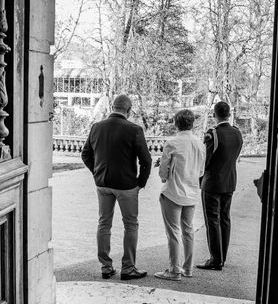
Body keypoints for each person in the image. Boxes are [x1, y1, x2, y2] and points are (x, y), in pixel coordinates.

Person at [81, 94, 152, 280]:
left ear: (113, 107)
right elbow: (146, 160)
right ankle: (128, 268)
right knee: (131, 224)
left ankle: (106, 266)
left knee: (104, 223)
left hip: (103, 183)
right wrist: (141, 183)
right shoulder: (134, 130)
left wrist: (96, 172)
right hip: (126, 185)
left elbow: (85, 154)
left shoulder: (97, 127)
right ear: (128, 111)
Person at [154, 109, 206, 281]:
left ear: (176, 123)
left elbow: (163, 170)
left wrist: (164, 178)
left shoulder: (172, 142)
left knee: (173, 233)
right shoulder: (200, 144)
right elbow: (201, 171)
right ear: (193, 123)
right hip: (191, 192)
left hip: (173, 192)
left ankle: (174, 271)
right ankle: (188, 268)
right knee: (188, 230)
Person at [197, 101, 243, 271]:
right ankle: (222, 256)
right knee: (225, 218)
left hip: (213, 182)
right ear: (229, 114)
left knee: (212, 220)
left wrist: (199, 178)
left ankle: (215, 259)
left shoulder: (213, 134)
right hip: (230, 180)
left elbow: (205, 161)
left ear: (214, 115)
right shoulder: (237, 133)